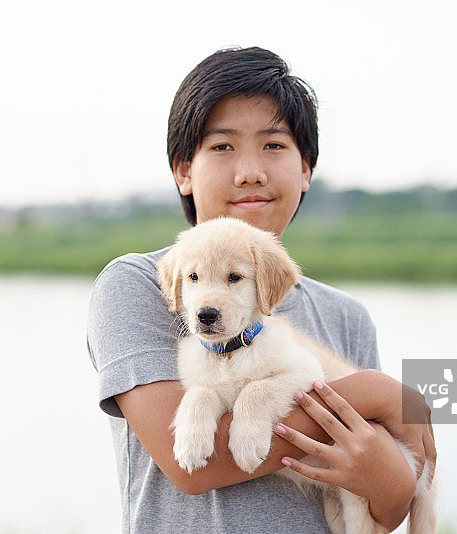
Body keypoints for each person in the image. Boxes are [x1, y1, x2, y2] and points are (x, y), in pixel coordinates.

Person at [87, 46, 435, 533]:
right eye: (223, 146)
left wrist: (389, 471)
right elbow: (194, 464)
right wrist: (376, 394)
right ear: (183, 171)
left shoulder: (346, 316)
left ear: (307, 169)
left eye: (274, 145)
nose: (251, 170)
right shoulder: (139, 284)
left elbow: (388, 505)